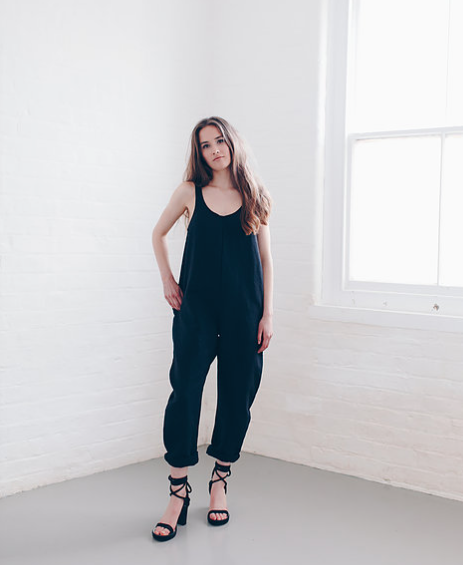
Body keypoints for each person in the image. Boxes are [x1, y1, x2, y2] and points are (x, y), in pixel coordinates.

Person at [150, 116, 274, 542]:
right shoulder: (189, 192)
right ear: (198, 153)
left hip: (245, 312)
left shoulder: (254, 194)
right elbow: (158, 234)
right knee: (185, 394)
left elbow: (266, 261)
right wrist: (168, 280)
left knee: (238, 396)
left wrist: (268, 314)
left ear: (232, 143)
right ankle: (177, 492)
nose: (214, 149)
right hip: (196, 311)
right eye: (205, 145)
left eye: (220, 141)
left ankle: (220, 480)